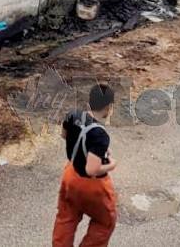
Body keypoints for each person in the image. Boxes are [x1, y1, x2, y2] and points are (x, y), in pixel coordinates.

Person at [52, 84, 118, 247]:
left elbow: (64, 136)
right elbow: (91, 169)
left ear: (89, 103)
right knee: (105, 222)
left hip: (71, 175)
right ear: (109, 108)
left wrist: (90, 149)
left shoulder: (73, 115)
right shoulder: (100, 135)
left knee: (66, 216)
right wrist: (111, 165)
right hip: (93, 186)